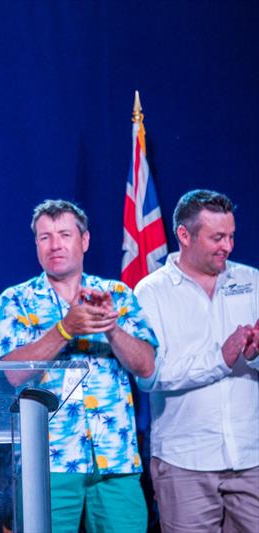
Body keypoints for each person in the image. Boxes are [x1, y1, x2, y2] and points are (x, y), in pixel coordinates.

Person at [0, 199, 158, 533]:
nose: (55, 245)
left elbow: (147, 366)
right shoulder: (16, 299)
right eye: (44, 237)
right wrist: (65, 329)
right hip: (47, 462)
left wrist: (110, 327)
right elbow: (8, 373)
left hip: (116, 459)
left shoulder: (117, 294)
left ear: (84, 240)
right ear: (36, 245)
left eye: (64, 234)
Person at [134, 189, 259, 533]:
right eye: (217, 237)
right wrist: (220, 358)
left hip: (251, 458)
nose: (228, 247)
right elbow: (152, 375)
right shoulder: (151, 292)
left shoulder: (252, 281)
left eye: (231, 236)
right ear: (184, 235)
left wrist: (257, 354)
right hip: (183, 461)